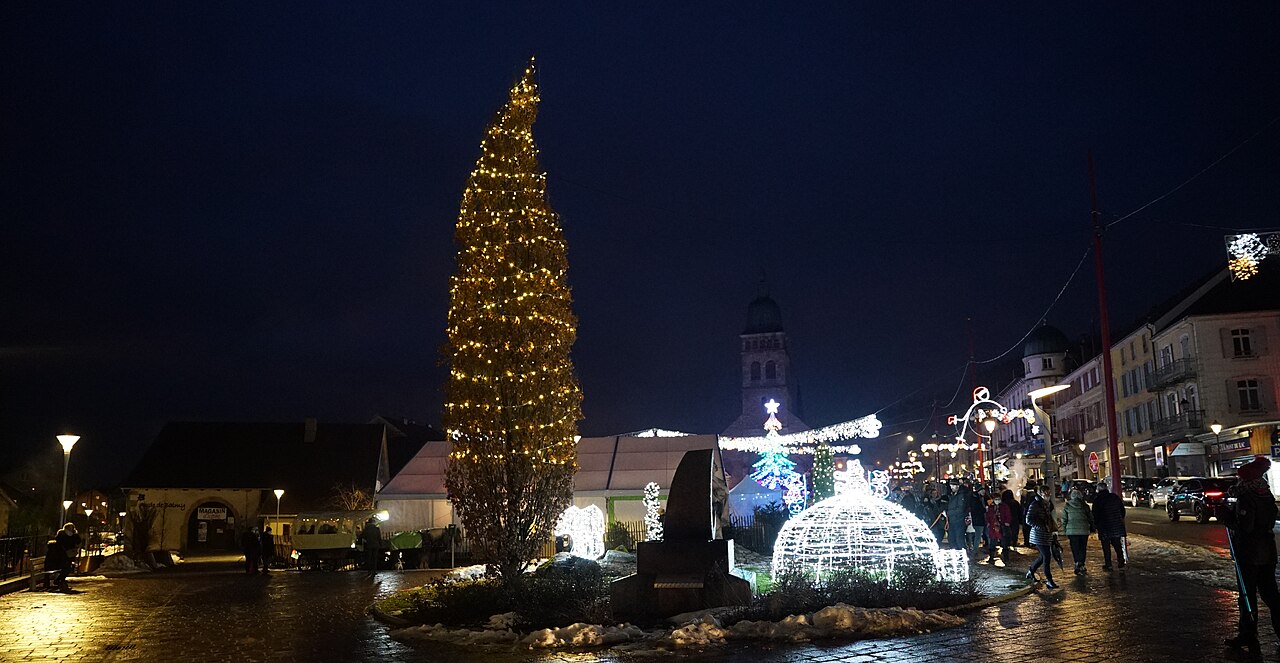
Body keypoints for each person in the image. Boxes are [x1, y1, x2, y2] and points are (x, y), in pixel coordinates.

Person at [1223, 456, 1280, 656]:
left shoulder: (1247, 496)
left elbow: (1246, 527)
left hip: (1249, 553)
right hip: (1267, 552)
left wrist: (1228, 518)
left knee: (1247, 596)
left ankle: (1248, 633)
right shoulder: (1266, 493)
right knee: (1271, 594)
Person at [1025, 485, 1059, 589]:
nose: (1048, 495)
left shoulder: (1048, 504)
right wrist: (1041, 526)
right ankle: (1049, 580)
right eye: (1046, 493)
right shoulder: (1035, 504)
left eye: (1049, 493)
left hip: (1047, 534)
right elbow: (1028, 519)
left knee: (1043, 556)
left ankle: (1031, 571)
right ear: (1040, 494)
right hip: (1038, 535)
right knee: (1047, 556)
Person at [1092, 482, 1127, 571]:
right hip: (1116, 525)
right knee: (1117, 544)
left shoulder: (1097, 500)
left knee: (1106, 547)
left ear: (1098, 490)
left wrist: (1096, 525)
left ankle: (1108, 564)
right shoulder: (1114, 497)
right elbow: (1122, 510)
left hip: (1104, 526)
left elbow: (1095, 515)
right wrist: (1119, 519)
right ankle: (1121, 561)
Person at [1061, 488, 1094, 575]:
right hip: (1084, 530)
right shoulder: (1085, 506)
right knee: (1083, 547)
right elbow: (1091, 518)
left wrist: (1064, 530)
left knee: (1075, 548)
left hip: (1072, 531)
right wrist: (1092, 527)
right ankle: (1081, 564)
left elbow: (1064, 519)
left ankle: (1077, 563)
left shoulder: (1067, 506)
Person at [47, 523, 81, 591]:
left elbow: (78, 541)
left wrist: (75, 534)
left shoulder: (73, 535)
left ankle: (60, 581)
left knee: (68, 568)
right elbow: (61, 545)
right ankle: (60, 581)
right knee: (66, 568)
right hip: (61, 556)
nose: (71, 529)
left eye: (72, 528)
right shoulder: (62, 535)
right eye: (70, 528)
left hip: (69, 556)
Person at [985, 494, 1011, 564]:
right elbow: (988, 516)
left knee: (1004, 542)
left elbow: (1008, 514)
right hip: (993, 527)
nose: (997, 500)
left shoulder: (1004, 506)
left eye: (998, 499)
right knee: (992, 543)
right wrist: (988, 522)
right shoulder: (991, 507)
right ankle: (991, 557)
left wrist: (1007, 522)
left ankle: (1006, 557)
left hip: (1002, 526)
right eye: (996, 499)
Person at [946, 482, 971, 551]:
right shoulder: (954, 495)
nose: (951, 487)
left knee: (959, 539)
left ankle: (962, 554)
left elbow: (960, 509)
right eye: (951, 486)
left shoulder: (961, 496)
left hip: (958, 520)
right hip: (953, 520)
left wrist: (948, 513)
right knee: (952, 539)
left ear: (957, 486)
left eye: (953, 486)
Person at [1002, 489, 1021, 553]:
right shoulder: (1015, 502)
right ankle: (1014, 544)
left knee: (1006, 533)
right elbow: (1019, 512)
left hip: (1006, 520)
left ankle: (1007, 545)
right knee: (1014, 533)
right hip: (1015, 519)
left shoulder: (1003, 503)